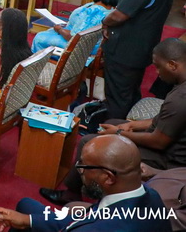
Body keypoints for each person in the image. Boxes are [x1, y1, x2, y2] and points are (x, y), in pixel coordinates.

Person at [40, 38, 186, 207]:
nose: (157, 73)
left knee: (92, 142)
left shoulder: (179, 99)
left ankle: (72, 193)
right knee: (112, 122)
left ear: (173, 65)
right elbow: (164, 119)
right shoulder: (180, 88)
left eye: (158, 66)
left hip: (169, 158)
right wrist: (131, 125)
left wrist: (118, 133)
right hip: (168, 140)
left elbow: (159, 142)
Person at [0, 135, 171, 231]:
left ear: (108, 177)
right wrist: (27, 221)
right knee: (25, 206)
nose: (80, 171)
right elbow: (86, 217)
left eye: (84, 166)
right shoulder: (150, 195)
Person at [101, 0, 177, 118]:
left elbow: (119, 15)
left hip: (124, 50)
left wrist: (105, 21)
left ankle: (112, 136)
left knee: (117, 97)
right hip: (143, 46)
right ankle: (126, 124)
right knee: (129, 92)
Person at [31, 0, 119, 54]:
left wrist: (60, 30)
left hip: (78, 50)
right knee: (48, 32)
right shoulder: (112, 11)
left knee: (39, 38)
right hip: (88, 46)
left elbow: (74, 38)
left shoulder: (93, 12)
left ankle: (38, 68)